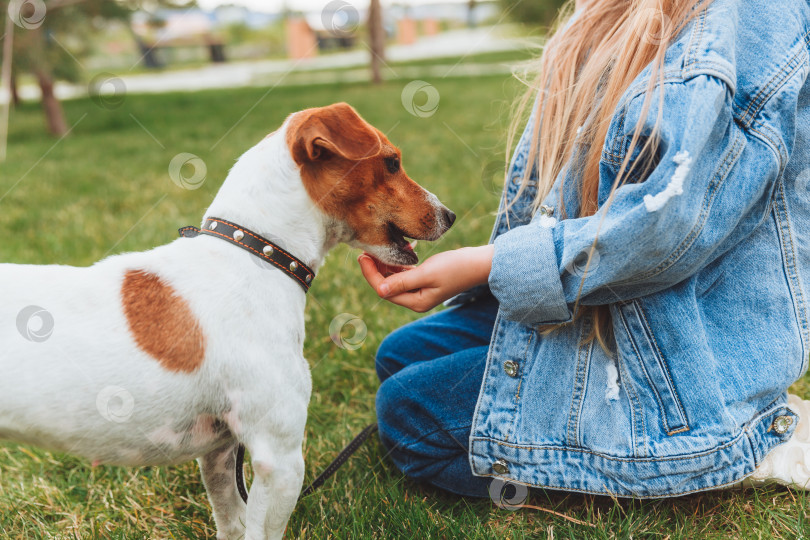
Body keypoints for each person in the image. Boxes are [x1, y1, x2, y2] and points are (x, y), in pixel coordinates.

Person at [357, 0, 810, 498]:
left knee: (407, 413)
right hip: (599, 302)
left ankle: (730, 445)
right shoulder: (606, 14)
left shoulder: (746, 18)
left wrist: (491, 264)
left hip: (672, 343)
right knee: (399, 356)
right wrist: (493, 277)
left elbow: (664, 226)